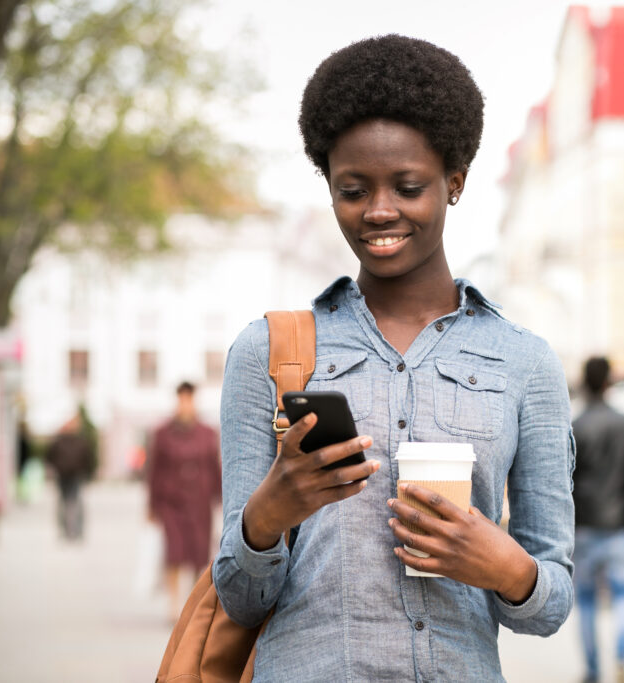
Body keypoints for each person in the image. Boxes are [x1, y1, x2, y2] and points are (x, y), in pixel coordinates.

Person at [211, 35, 575, 681]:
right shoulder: (266, 354)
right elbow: (240, 596)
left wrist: (503, 565)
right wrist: (270, 511)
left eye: (408, 186)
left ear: (454, 182)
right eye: (353, 189)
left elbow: (549, 602)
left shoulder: (526, 363)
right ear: (329, 186)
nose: (380, 210)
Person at [571, 356, 624, 683]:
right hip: (621, 527)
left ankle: (593, 670)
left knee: (588, 601)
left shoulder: (575, 428)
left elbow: (563, 483)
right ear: (610, 382)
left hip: (585, 528)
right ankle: (622, 655)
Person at [148, 381, 222, 620]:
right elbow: (153, 471)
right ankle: (174, 604)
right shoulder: (163, 433)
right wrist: (151, 505)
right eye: (181, 399)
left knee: (199, 553)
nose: (185, 404)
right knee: (175, 553)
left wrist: (222, 498)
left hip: (200, 503)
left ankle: (193, 603)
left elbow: (215, 467)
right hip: (172, 502)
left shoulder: (207, 433)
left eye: (188, 399)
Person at [46, 412, 96, 540]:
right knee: (73, 502)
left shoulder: (59, 441)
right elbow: (88, 459)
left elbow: (50, 457)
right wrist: (89, 473)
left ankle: (68, 530)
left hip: (67, 475)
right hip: (72, 475)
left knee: (66, 502)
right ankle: (73, 530)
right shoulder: (80, 441)